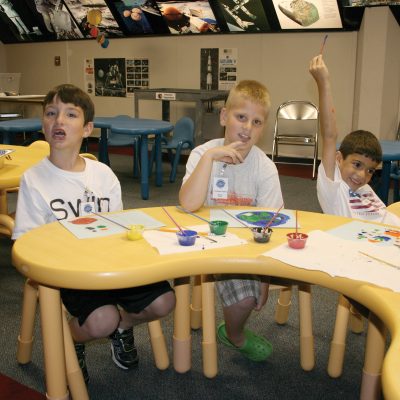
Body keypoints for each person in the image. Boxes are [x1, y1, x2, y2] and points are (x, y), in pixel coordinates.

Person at [12, 84, 175, 383]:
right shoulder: (33, 179)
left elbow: (117, 229)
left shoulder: (102, 174)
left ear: (87, 128)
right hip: (69, 272)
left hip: (110, 263)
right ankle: (71, 338)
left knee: (164, 301)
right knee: (102, 320)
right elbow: (26, 244)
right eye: (51, 113)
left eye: (70, 114)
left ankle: (123, 326)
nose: (59, 120)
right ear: (43, 124)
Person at [179, 80, 284, 361]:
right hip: (202, 244)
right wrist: (210, 158)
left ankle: (232, 333)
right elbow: (188, 204)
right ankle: (236, 336)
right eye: (241, 117)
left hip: (242, 253)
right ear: (224, 117)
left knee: (247, 299)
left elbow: (270, 228)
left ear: (263, 128)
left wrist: (264, 278)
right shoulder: (202, 154)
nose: (247, 127)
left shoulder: (265, 168)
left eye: (256, 122)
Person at [309, 54, 399, 226]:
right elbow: (329, 135)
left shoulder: (363, 188)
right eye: (357, 164)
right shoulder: (334, 191)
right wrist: (323, 82)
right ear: (338, 159)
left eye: (370, 170)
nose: (362, 175)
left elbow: (385, 216)